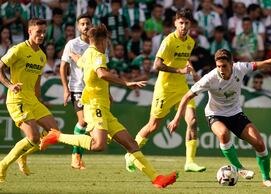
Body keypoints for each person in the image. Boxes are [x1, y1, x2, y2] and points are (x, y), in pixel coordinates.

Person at [40, 24, 177, 189]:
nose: (107, 44)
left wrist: (72, 54)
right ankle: (57, 136)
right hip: (94, 106)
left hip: (102, 107)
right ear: (102, 40)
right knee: (99, 145)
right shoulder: (99, 55)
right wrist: (125, 82)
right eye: (107, 41)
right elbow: (102, 73)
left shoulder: (87, 53)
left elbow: (80, 62)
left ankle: (157, 179)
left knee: (131, 144)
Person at [167, 48, 271, 187]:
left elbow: (266, 63)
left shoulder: (240, 68)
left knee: (259, 143)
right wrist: (176, 119)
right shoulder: (210, 78)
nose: (221, 69)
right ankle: (239, 168)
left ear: (232, 64)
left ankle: (266, 179)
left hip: (235, 113)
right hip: (215, 114)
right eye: (218, 66)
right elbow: (186, 97)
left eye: (224, 66)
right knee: (223, 133)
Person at [125, 8, 206, 173]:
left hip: (182, 88)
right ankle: (130, 154)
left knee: (193, 121)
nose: (183, 26)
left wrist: (194, 72)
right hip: (165, 88)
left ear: (191, 24)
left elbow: (185, 59)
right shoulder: (168, 41)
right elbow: (157, 65)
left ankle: (190, 162)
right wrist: (178, 71)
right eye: (181, 23)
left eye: (187, 23)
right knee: (153, 126)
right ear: (175, 23)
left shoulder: (190, 41)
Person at [0, 18, 61, 182]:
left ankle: (23, 155)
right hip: (17, 99)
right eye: (38, 32)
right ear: (29, 31)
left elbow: (36, 83)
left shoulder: (41, 56)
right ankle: (3, 165)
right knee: (34, 138)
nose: (41, 35)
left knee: (54, 133)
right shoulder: (18, 50)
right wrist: (10, 85)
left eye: (43, 32)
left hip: (32, 100)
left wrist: (40, 100)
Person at [60, 14, 92, 170]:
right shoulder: (72, 44)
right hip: (78, 88)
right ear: (78, 27)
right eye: (82, 24)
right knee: (84, 121)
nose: (85, 26)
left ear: (91, 25)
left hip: (93, 89)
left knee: (87, 124)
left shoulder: (95, 45)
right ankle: (75, 156)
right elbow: (63, 67)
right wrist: (66, 89)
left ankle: (78, 157)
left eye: (87, 24)